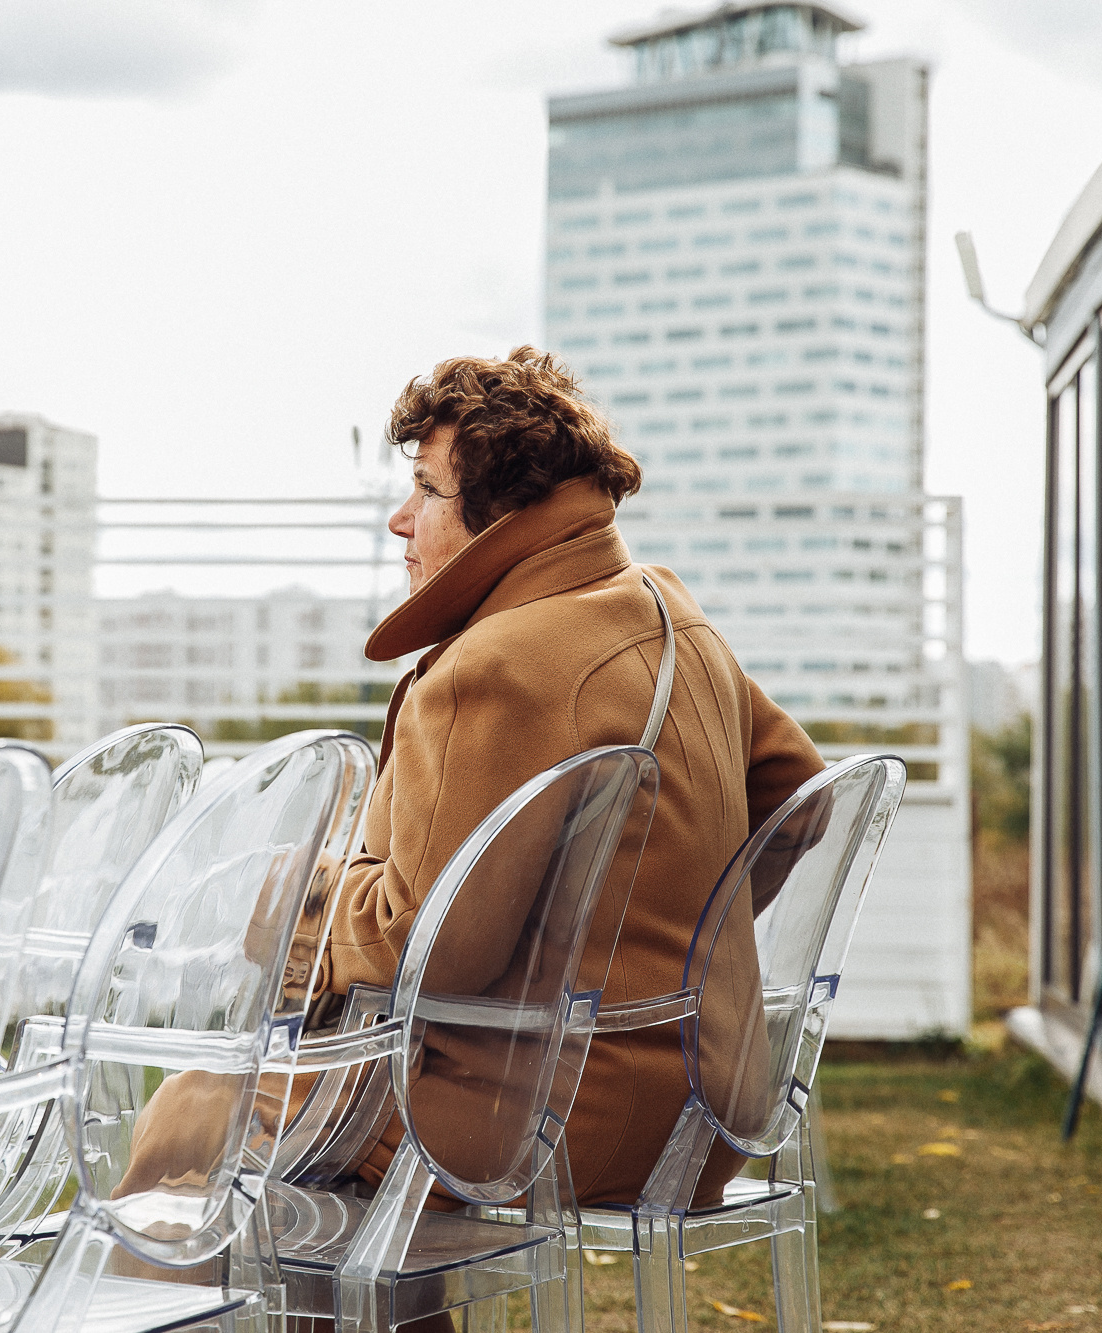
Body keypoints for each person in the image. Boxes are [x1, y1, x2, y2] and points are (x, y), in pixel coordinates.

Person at [118, 345, 823, 1216]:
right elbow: (798, 792)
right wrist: (648, 942)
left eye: (425, 489)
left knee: (195, 1109)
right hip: (707, 1110)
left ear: (505, 515)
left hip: (538, 1118)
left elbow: (426, 940)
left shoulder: (488, 667)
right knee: (299, 1136)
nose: (400, 519)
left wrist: (299, 903)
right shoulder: (671, 614)